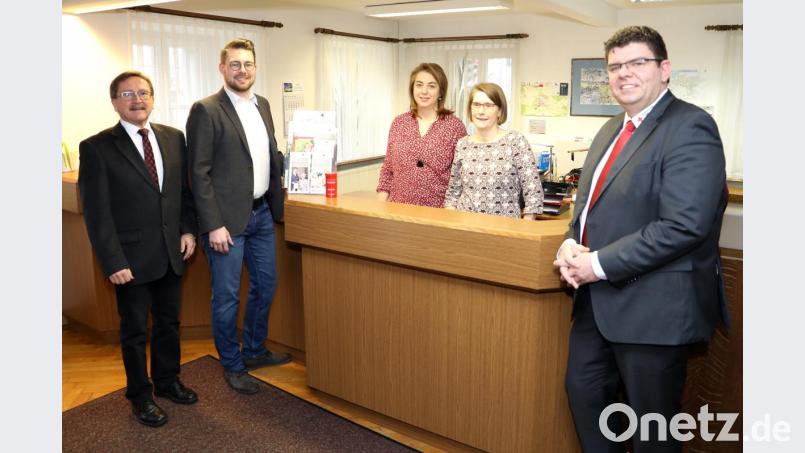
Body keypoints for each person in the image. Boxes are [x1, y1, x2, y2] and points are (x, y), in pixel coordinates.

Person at [552, 26, 728, 452]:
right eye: (615, 66)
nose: (624, 73)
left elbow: (684, 224)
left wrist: (596, 264)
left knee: (653, 430)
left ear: (664, 69)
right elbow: (588, 206)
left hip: (654, 310)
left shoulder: (691, 126)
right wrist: (569, 242)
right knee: (585, 398)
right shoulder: (610, 128)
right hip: (597, 305)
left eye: (637, 63)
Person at [78, 71, 199, 427]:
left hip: (171, 252)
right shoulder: (97, 147)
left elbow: (183, 193)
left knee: (168, 323)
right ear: (114, 102)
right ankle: (140, 397)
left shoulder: (174, 138)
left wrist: (188, 231)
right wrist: (112, 261)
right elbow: (96, 213)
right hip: (129, 259)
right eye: (128, 94)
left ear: (153, 98)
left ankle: (167, 381)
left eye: (143, 93)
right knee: (133, 331)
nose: (137, 99)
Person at [186, 38, 290, 395]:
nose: (242, 70)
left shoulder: (263, 105)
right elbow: (198, 173)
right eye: (235, 64)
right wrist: (213, 224)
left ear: (255, 68)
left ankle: (255, 350)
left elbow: (269, 155)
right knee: (227, 297)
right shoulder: (206, 110)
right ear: (222, 68)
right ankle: (232, 363)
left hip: (261, 214)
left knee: (266, 285)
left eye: (247, 64)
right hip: (225, 225)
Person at [444, 83, 543, 219]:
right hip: (465, 226)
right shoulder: (463, 144)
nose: (481, 111)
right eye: (476, 104)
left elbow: (533, 191)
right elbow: (453, 193)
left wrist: (527, 223)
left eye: (488, 105)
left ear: (500, 111)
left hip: (505, 227)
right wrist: (451, 222)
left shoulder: (515, 141)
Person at [376, 63, 467, 207]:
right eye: (419, 85)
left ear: (440, 92)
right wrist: (380, 206)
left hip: (438, 211)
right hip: (398, 208)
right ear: (412, 89)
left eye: (431, 86)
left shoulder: (455, 126)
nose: (424, 91)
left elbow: (462, 175)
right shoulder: (399, 123)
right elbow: (388, 168)